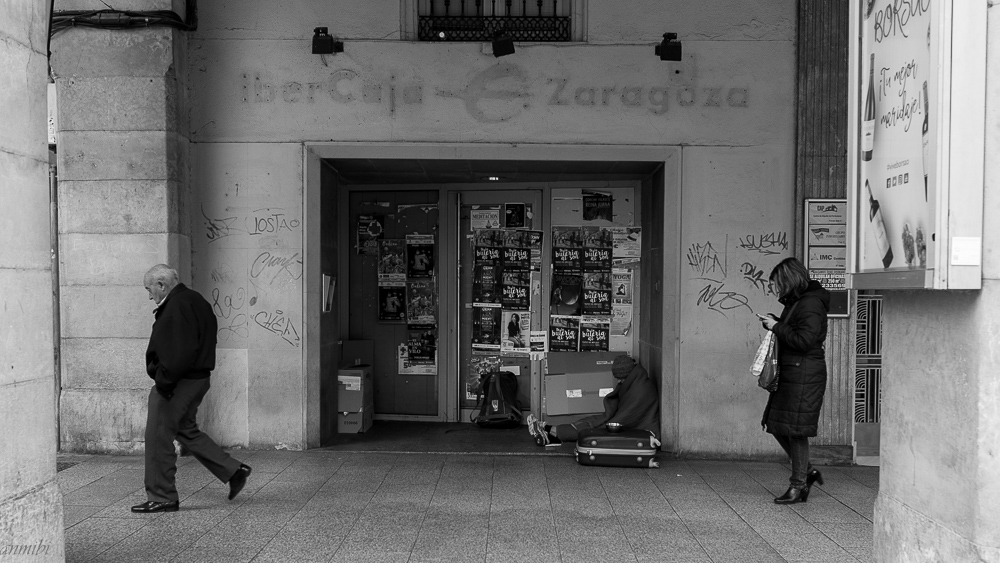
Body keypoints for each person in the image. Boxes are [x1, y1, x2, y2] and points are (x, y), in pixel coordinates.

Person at [131, 265, 252, 513]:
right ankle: (233, 470)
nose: (149, 295)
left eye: (149, 289)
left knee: (158, 437)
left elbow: (178, 353)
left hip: (178, 382)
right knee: (184, 429)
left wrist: (163, 382)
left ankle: (162, 496)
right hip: (196, 379)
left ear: (161, 284)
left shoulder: (176, 307)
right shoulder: (195, 299)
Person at [759, 257, 830, 505]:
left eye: (776, 284)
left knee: (795, 431)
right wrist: (776, 323)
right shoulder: (798, 302)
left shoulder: (810, 303)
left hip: (804, 374)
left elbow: (804, 340)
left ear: (788, 280)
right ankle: (807, 472)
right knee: (777, 424)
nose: (774, 289)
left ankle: (798, 486)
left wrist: (776, 326)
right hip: (795, 372)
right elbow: (796, 332)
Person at [526, 354, 658, 445]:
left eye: (621, 378)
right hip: (623, 420)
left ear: (627, 374)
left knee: (593, 429)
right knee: (590, 421)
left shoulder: (641, 389)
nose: (618, 381)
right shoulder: (635, 380)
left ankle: (548, 431)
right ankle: (547, 430)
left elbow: (627, 417)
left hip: (638, 428)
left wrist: (607, 423)